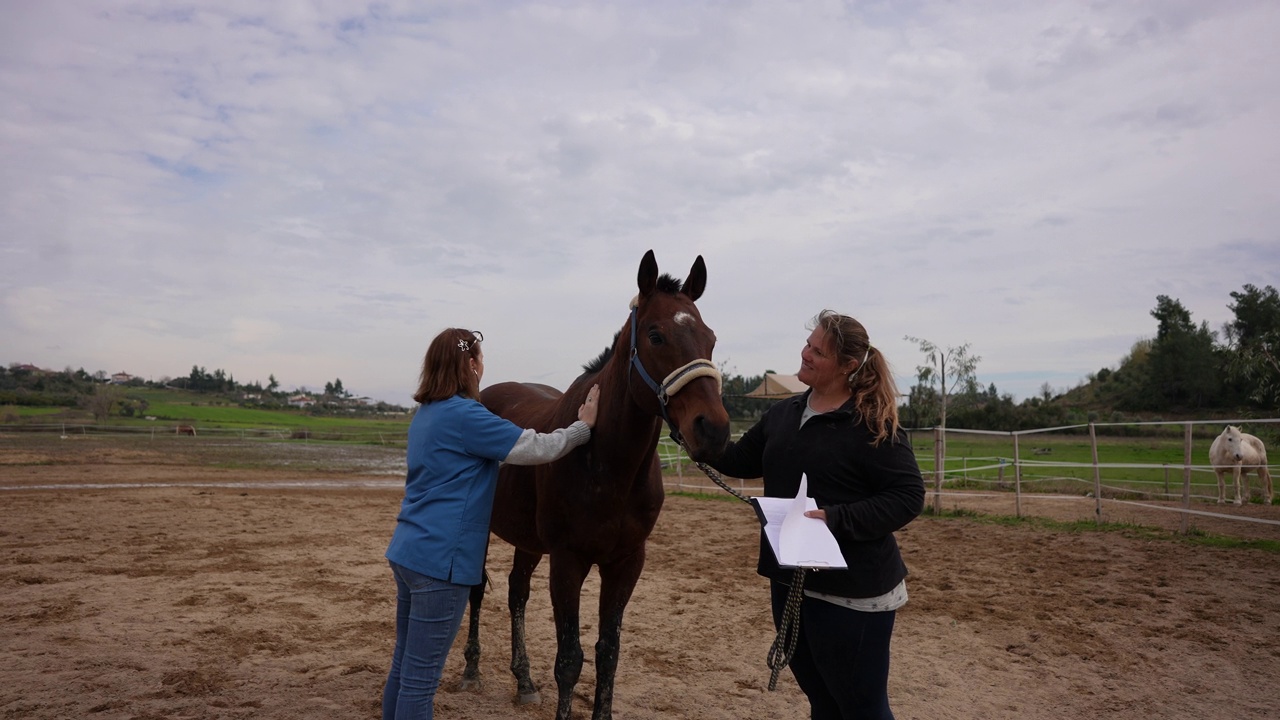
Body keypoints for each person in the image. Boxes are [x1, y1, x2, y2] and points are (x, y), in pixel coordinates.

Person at [706, 310, 925, 720]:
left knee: (862, 708)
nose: (805, 354)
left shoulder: (871, 423)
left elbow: (908, 496)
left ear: (847, 366)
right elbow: (737, 459)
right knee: (822, 701)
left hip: (852, 591)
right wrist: (693, 431)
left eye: (817, 351)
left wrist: (835, 519)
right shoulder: (785, 413)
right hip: (789, 581)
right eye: (808, 343)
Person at [381, 327, 600, 720]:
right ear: (470, 365)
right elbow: (537, 446)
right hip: (441, 565)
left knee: (404, 665)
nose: (483, 366)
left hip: (408, 553)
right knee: (421, 682)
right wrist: (581, 428)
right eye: (480, 359)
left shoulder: (428, 413)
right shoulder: (467, 415)